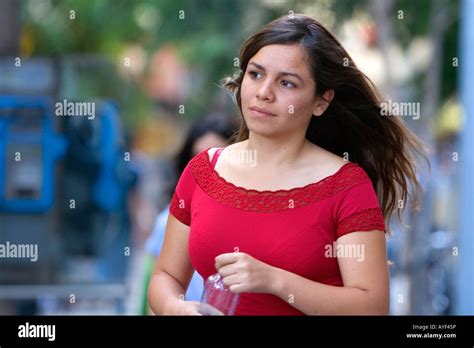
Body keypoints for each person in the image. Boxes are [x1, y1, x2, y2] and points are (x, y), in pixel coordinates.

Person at [148, 14, 427, 315]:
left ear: (321, 101)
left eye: (286, 83)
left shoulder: (347, 186)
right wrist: (176, 308)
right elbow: (167, 277)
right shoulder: (203, 171)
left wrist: (275, 280)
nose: (264, 92)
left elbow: (372, 307)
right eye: (256, 74)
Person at [141, 113, 235, 312]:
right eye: (198, 157)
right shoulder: (168, 221)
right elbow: (158, 287)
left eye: (218, 157)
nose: (206, 168)